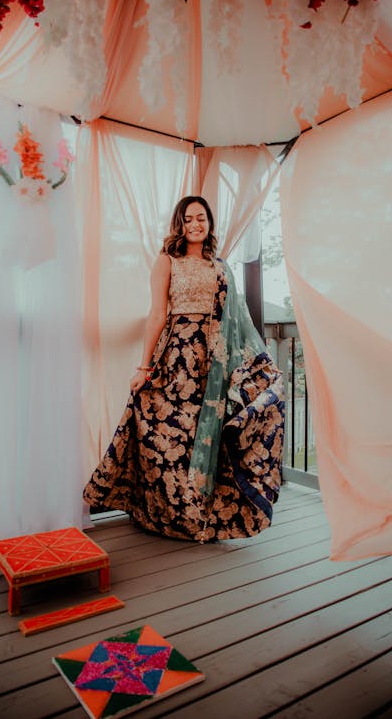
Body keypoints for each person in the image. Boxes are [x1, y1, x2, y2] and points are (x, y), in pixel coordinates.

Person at [83, 196, 285, 542]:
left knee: (205, 436)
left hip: (214, 362)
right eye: (188, 218)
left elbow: (237, 319)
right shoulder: (168, 261)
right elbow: (158, 314)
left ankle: (200, 514)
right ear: (180, 223)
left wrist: (255, 364)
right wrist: (145, 366)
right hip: (177, 357)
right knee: (171, 430)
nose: (195, 224)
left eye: (201, 218)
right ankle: (167, 512)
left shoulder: (221, 266)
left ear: (209, 223)